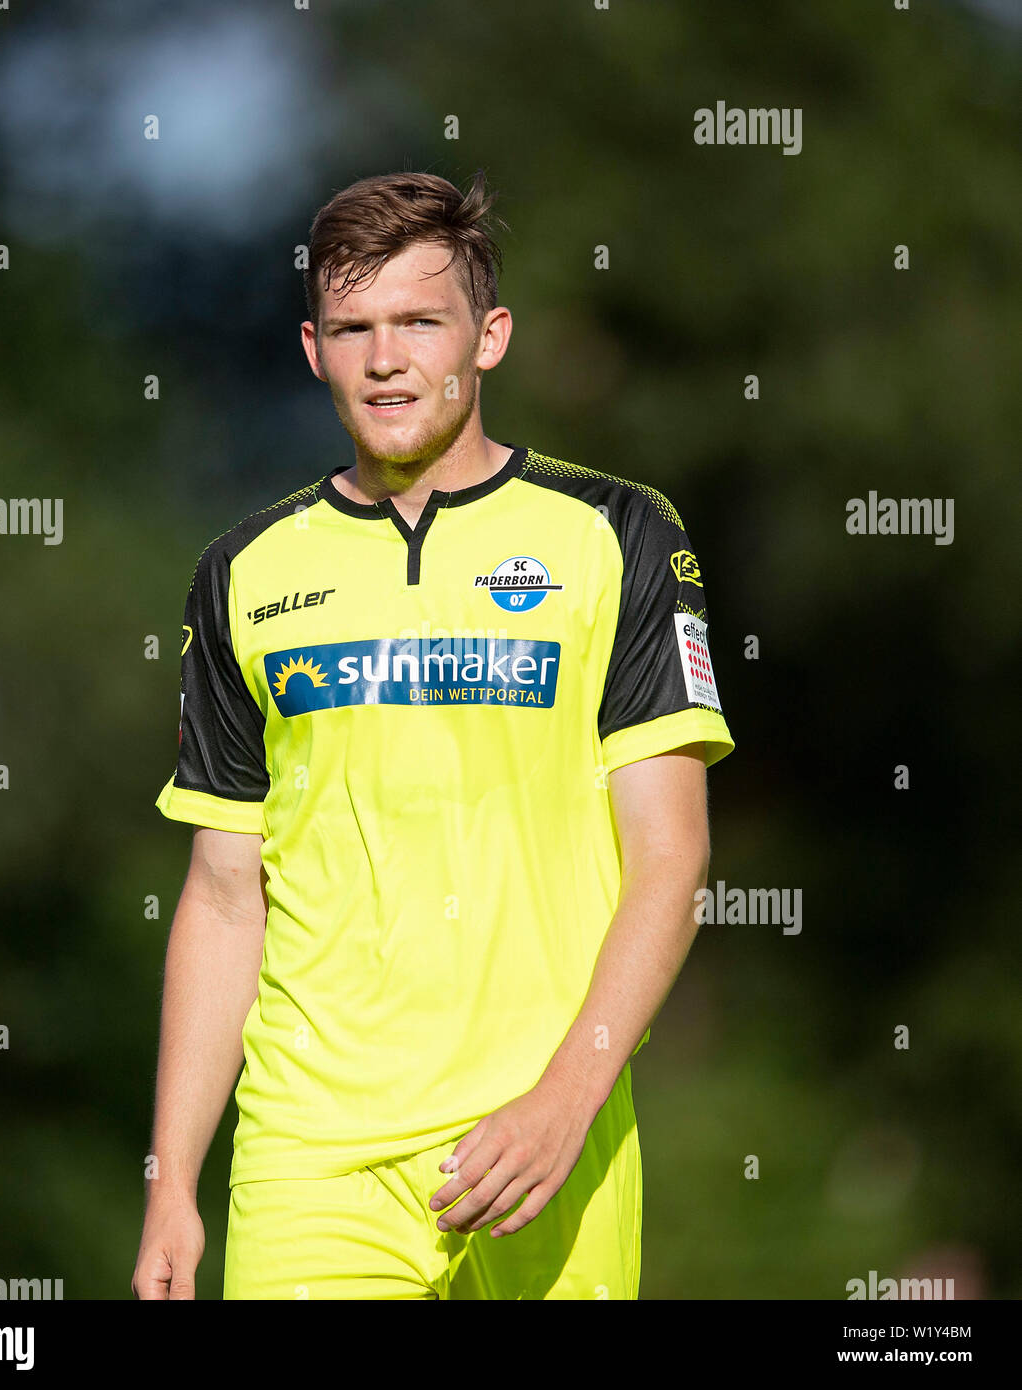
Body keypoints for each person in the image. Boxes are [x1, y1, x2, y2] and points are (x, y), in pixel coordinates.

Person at [131, 169, 734, 1301]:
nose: (385, 358)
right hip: (313, 1151)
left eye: (419, 321)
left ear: (488, 337)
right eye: (352, 329)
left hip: (546, 1138)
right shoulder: (241, 573)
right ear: (313, 350)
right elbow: (221, 895)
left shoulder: (620, 534)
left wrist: (566, 1102)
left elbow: (671, 856)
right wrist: (173, 1184)